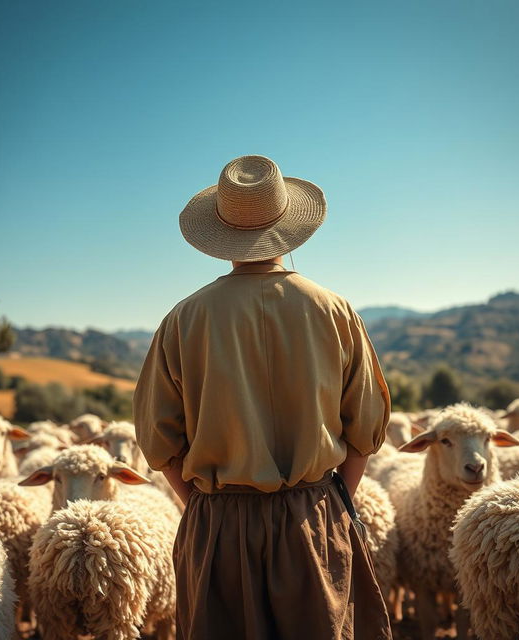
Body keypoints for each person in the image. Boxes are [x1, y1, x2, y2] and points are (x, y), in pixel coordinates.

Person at [134, 155, 392, 640]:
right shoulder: (334, 310)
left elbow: (159, 441)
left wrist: (205, 507)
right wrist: (333, 504)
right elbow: (365, 430)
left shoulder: (183, 319)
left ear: (218, 233)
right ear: (287, 227)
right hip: (314, 516)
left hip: (218, 526)